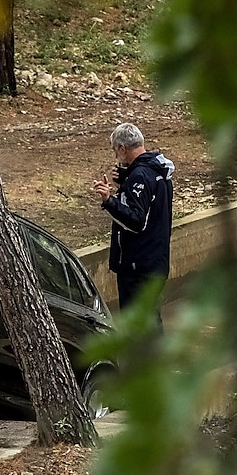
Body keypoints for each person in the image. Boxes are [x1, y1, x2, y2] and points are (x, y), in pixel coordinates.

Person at [91, 123, 175, 328]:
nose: (116, 157)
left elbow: (136, 222)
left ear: (122, 148)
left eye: (115, 150)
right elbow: (150, 207)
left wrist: (109, 201)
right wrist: (124, 185)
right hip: (155, 261)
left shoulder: (140, 177)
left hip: (139, 266)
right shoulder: (158, 171)